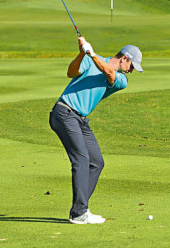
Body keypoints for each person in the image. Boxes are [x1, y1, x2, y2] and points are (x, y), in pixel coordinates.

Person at [49, 39, 143, 224]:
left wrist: (91, 54)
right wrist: (82, 53)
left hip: (80, 120)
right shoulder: (92, 58)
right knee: (82, 159)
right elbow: (71, 72)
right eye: (132, 66)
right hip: (64, 113)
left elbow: (108, 71)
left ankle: (79, 209)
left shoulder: (121, 80)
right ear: (125, 58)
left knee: (96, 162)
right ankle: (79, 213)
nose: (131, 71)